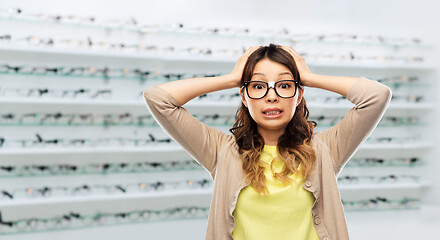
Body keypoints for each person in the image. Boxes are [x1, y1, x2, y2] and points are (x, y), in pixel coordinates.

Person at [143, 43, 392, 240]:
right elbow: (158, 99)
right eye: (258, 86)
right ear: (244, 95)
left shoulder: (325, 149)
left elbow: (376, 96)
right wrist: (231, 79)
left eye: (284, 85)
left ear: (299, 94)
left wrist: (307, 76)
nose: (271, 97)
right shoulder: (221, 151)